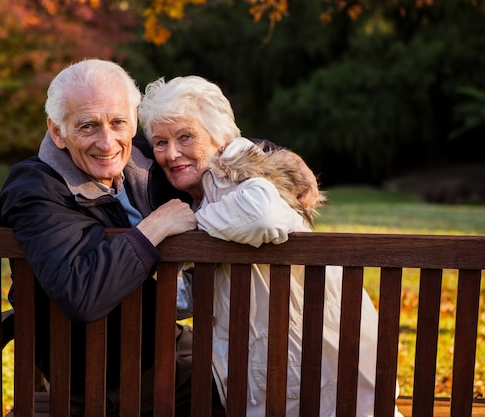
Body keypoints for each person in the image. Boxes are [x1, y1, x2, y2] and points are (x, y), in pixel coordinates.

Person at [0, 58, 321, 415]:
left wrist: (279, 156)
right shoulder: (36, 190)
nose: (107, 142)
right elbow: (81, 295)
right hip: (104, 379)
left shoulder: (145, 164)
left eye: (118, 122)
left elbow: (199, 144)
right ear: (57, 132)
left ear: (133, 120)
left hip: (161, 349)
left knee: (263, 361)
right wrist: (154, 227)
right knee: (270, 376)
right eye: (87, 126)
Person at [138, 75, 403, 417]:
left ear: (220, 137)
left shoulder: (234, 171)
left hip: (318, 380)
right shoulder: (212, 193)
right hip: (293, 377)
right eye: (160, 142)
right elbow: (201, 293)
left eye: (185, 136)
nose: (171, 153)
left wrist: (186, 228)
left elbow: (263, 216)